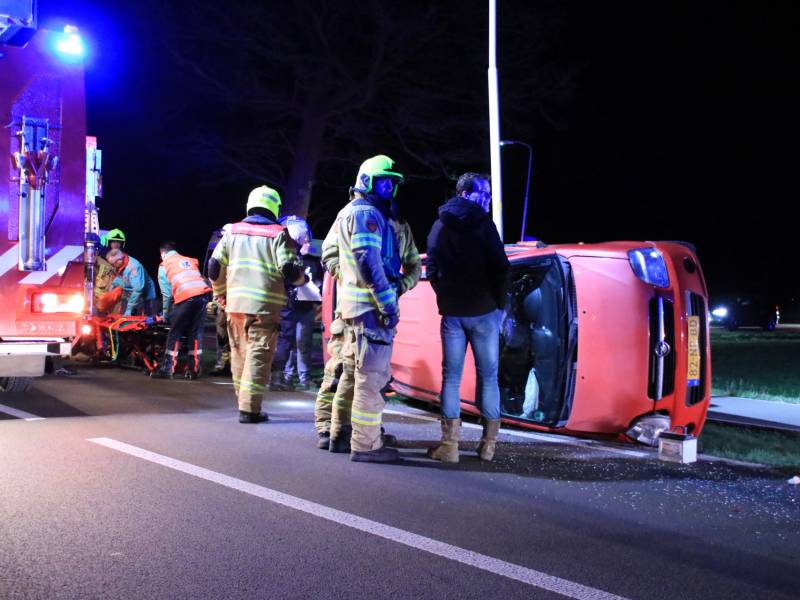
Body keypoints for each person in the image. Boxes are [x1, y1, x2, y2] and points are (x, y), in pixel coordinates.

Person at [314, 190, 421, 450]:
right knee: (340, 372)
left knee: (367, 377)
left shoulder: (398, 225)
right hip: (355, 309)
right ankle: (330, 428)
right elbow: (330, 255)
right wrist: (351, 277)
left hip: (377, 307)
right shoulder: (356, 214)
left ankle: (359, 431)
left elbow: (413, 264)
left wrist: (398, 288)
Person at [322, 155, 404, 463]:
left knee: (351, 377)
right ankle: (366, 444)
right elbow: (369, 260)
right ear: (367, 181)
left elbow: (331, 255)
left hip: (353, 309)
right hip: (371, 309)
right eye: (385, 182)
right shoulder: (368, 214)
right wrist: (387, 302)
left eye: (393, 184)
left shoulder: (348, 212)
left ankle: (340, 435)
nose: (390, 189)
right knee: (371, 378)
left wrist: (347, 280)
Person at [425, 172, 510, 463]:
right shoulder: (486, 226)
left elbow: (432, 268)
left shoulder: (440, 225)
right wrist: (501, 306)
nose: (487, 198)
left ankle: (449, 447)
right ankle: (488, 446)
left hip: (453, 313)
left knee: (451, 378)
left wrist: (446, 295)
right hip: (485, 311)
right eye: (483, 193)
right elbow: (501, 268)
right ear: (465, 193)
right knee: (489, 377)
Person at [208, 185, 304, 423]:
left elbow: (214, 267)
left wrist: (221, 293)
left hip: (235, 305)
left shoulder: (232, 232)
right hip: (264, 307)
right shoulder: (279, 233)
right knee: (258, 356)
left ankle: (243, 402)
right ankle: (250, 410)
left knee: (239, 354)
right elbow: (290, 270)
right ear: (274, 207)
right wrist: (303, 279)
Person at [270, 216, 324, 391]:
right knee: (287, 341)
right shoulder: (287, 256)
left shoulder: (308, 258)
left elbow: (317, 280)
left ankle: (298, 377)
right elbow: (290, 278)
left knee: (301, 342)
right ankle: (283, 376)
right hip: (289, 305)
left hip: (304, 305)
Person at [152, 241, 212, 379]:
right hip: (203, 297)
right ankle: (195, 370)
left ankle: (167, 369)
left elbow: (167, 294)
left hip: (186, 297)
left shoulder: (164, 265)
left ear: (163, 254)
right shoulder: (189, 260)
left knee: (175, 332)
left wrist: (166, 315)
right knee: (195, 333)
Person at [106, 249, 158, 316]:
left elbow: (138, 290)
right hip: (130, 294)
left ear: (119, 260)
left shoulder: (134, 267)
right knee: (123, 318)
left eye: (113, 264)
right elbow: (122, 277)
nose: (112, 266)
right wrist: (113, 284)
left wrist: (129, 309)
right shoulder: (121, 263)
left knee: (145, 320)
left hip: (144, 296)